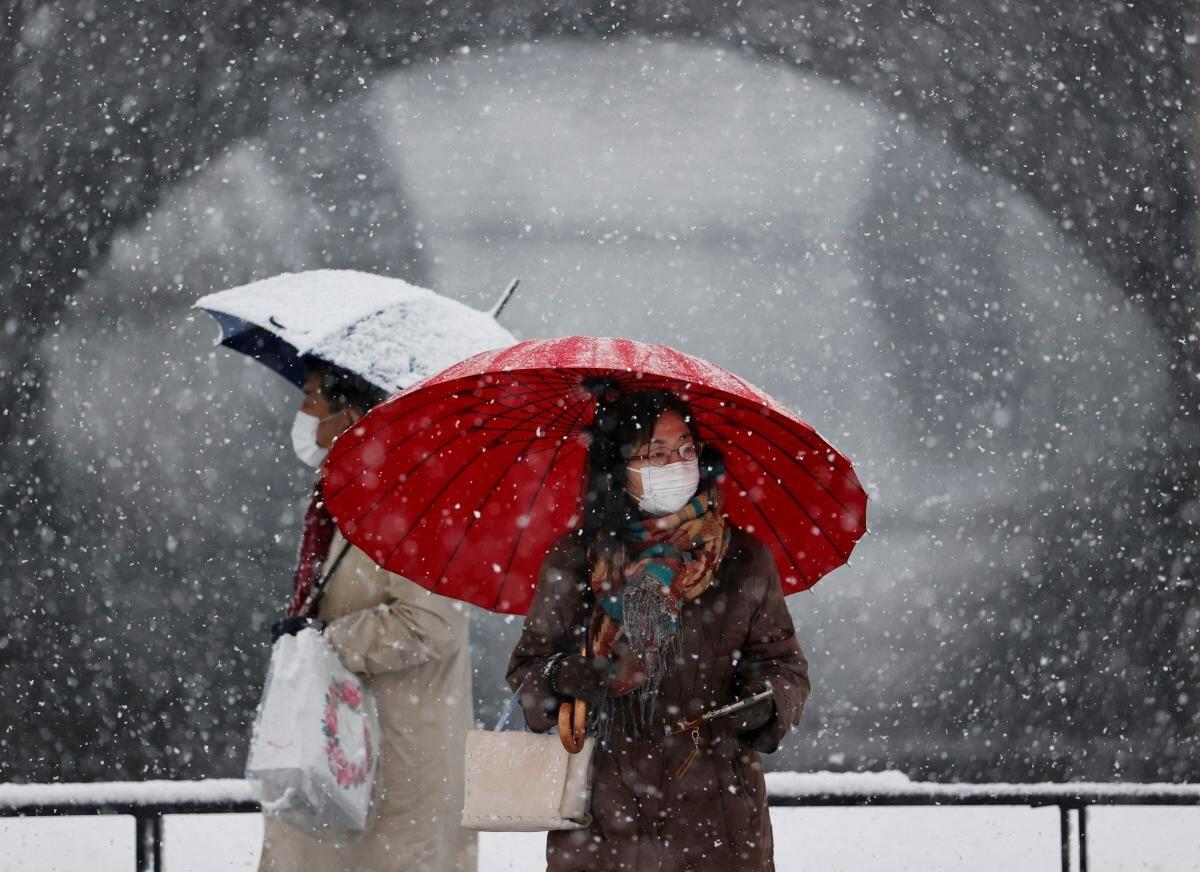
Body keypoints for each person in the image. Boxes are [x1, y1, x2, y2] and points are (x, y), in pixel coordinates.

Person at [507, 387, 811, 872]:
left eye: (686, 447)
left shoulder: (742, 561)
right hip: (603, 823)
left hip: (719, 822)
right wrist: (566, 677)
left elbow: (785, 667)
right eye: (656, 453)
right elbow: (528, 672)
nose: (677, 463)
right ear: (619, 467)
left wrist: (766, 703)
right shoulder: (575, 561)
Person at [259, 357, 477, 872]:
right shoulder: (344, 501)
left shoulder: (413, 504)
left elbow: (432, 624)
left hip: (393, 773)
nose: (302, 409)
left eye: (313, 396)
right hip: (342, 759)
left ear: (352, 413)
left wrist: (326, 640)